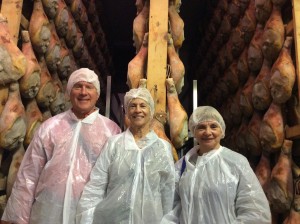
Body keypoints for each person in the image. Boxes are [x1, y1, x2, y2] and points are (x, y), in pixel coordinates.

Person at [1, 68, 121, 224]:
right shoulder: (50, 127)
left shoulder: (111, 131)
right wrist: (17, 217)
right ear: (69, 92)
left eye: (89, 87)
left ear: (97, 94)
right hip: (48, 213)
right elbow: (29, 174)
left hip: (90, 215)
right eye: (78, 86)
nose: (83, 92)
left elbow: (117, 181)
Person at [76, 87, 176, 224]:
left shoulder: (163, 148)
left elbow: (168, 190)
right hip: (112, 219)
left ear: (151, 111)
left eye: (143, 106)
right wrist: (86, 218)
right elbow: (97, 184)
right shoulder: (114, 144)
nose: (138, 110)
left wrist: (167, 221)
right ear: (127, 112)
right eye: (132, 106)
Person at [162, 106, 271, 224]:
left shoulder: (236, 162)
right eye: (201, 127)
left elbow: (256, 212)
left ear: (221, 130)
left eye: (213, 126)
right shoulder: (182, 166)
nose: (208, 132)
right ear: (194, 131)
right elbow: (172, 209)